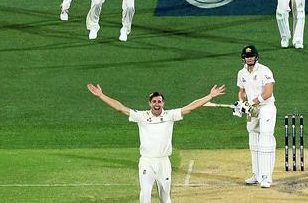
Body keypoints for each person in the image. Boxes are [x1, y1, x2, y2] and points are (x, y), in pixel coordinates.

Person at [87, 83, 226, 203]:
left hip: (164, 162)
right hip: (147, 161)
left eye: (159, 101)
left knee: (165, 197)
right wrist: (101, 95)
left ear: (163, 103)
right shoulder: (142, 116)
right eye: (154, 102)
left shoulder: (170, 115)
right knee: (145, 194)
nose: (157, 104)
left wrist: (210, 96)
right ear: (150, 104)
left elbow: (191, 107)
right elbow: (120, 108)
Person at [236, 44, 277, 188]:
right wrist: (242, 103)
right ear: (243, 58)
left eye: (251, 56)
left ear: (256, 57)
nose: (249, 59)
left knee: (265, 139)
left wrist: (251, 103)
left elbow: (268, 93)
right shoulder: (241, 73)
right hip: (252, 110)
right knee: (253, 139)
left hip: (266, 108)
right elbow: (242, 91)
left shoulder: (264, 71)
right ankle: (257, 174)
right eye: (247, 56)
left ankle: (266, 177)